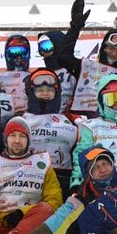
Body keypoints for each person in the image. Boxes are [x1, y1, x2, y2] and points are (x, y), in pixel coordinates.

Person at [21, 68, 78, 196]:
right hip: (28, 179)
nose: (45, 94)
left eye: (50, 91)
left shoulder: (70, 120)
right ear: (31, 92)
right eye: (40, 90)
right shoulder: (20, 120)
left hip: (62, 179)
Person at [0, 35, 32, 114]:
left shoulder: (35, 78)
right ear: (6, 54)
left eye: (22, 51)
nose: (18, 56)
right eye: (13, 52)